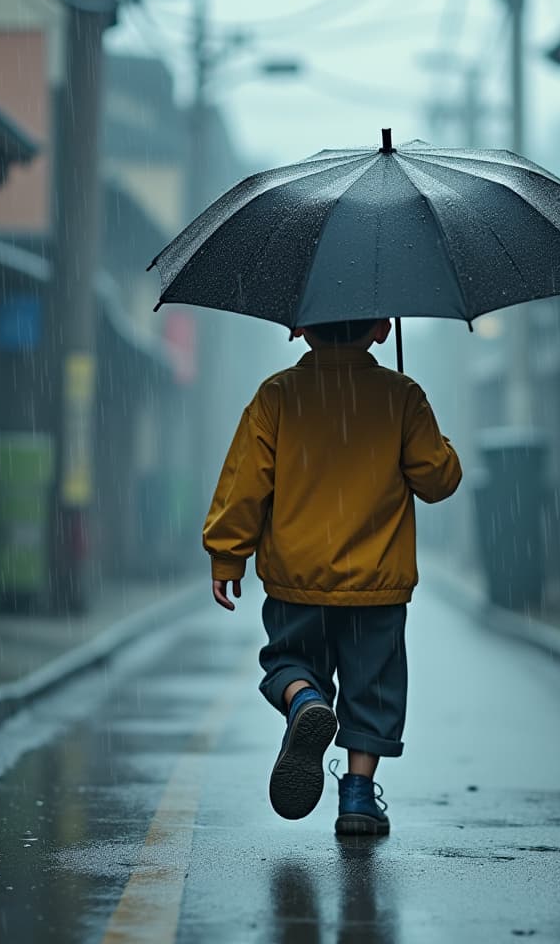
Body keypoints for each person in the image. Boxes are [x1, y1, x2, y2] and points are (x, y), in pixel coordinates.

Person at [204, 317, 461, 835]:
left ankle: (305, 700)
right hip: (377, 585)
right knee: (374, 688)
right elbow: (438, 481)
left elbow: (245, 482)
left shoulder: (277, 397)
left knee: (288, 660)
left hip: (297, 579)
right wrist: (434, 441)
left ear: (299, 329)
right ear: (384, 331)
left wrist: (228, 554)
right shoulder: (401, 397)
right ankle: (359, 797)